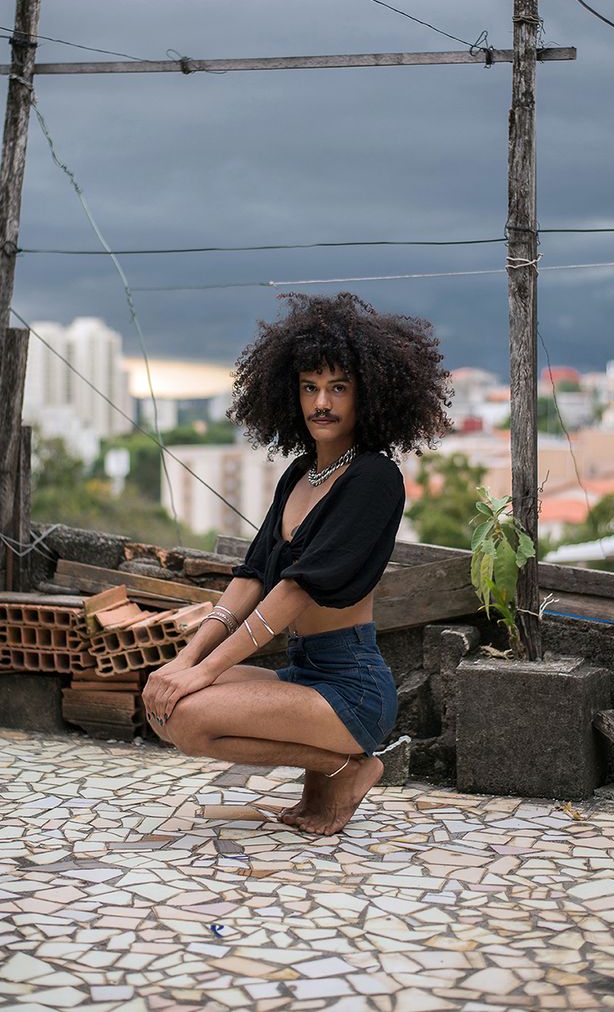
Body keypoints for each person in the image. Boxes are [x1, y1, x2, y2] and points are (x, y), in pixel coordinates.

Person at [142, 292, 451, 835]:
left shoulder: (374, 478)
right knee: (161, 702)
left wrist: (206, 673)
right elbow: (252, 575)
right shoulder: (299, 474)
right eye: (309, 388)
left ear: (368, 396)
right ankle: (332, 770)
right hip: (301, 674)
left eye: (338, 388)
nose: (321, 404)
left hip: (350, 686)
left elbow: (295, 590)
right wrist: (185, 662)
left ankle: (349, 767)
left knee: (189, 715)